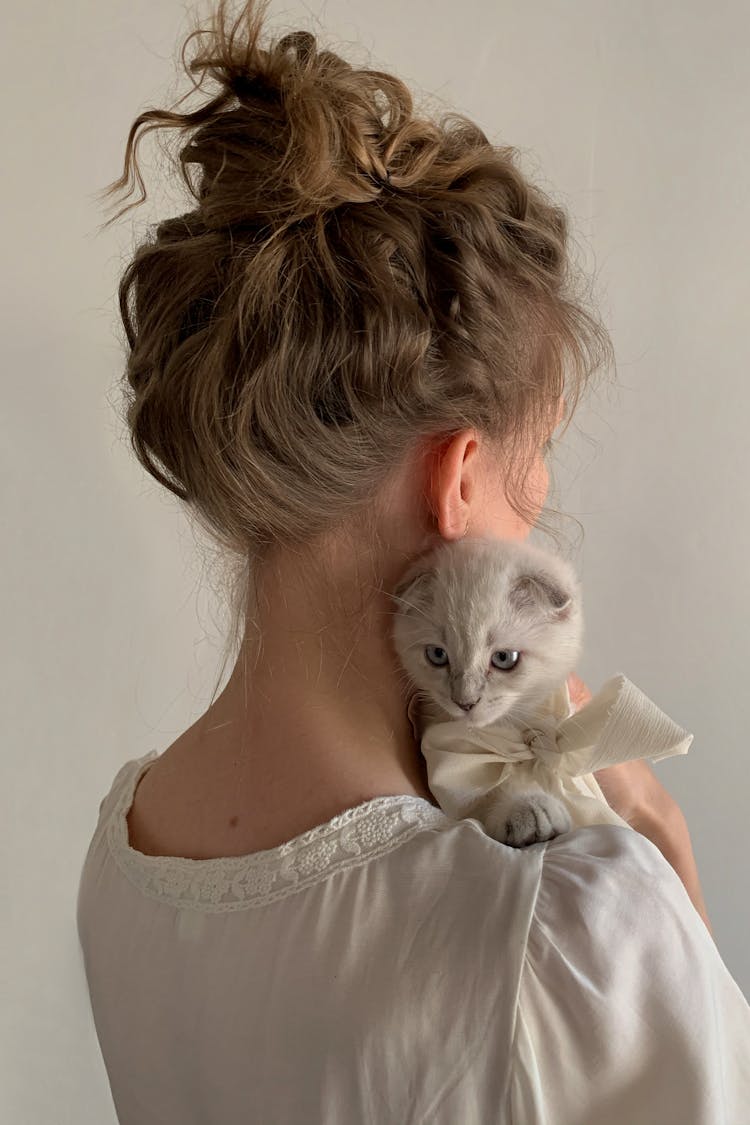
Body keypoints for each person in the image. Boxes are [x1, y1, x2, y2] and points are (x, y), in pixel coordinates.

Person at [76, 1, 750, 1121]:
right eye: (536, 467)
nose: (540, 507)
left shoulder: (125, 851)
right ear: (458, 479)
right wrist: (665, 862)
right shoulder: (565, 934)